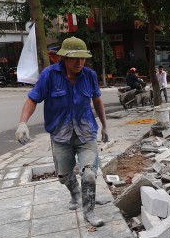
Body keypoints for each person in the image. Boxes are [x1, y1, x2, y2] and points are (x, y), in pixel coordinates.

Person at [15, 37, 109, 227]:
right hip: (60, 135)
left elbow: (97, 101)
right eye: (74, 58)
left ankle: (89, 211)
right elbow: (33, 99)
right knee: (63, 175)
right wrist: (23, 123)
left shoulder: (89, 75)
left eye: (83, 58)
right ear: (62, 58)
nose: (79, 63)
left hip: (86, 132)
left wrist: (105, 126)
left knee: (89, 174)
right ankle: (75, 193)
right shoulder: (49, 75)